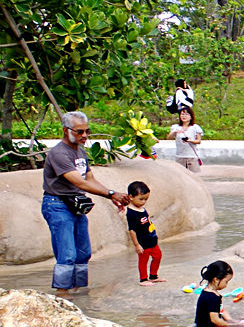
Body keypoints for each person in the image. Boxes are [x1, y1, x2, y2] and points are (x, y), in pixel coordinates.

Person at [40, 111, 130, 294]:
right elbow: (79, 182)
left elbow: (89, 178)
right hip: (57, 205)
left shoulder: (80, 151)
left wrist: (111, 195)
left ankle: (79, 291)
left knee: (83, 252)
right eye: (79, 132)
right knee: (67, 254)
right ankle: (63, 294)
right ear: (66, 131)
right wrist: (111, 193)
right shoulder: (58, 153)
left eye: (87, 131)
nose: (85, 136)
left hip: (75, 204)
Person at [124, 180, 163, 285]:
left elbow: (147, 221)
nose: (144, 202)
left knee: (158, 256)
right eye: (141, 199)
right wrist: (137, 245)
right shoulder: (131, 213)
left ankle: (153, 276)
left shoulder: (142, 209)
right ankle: (143, 279)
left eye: (146, 199)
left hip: (152, 240)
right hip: (143, 243)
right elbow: (132, 230)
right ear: (131, 197)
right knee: (143, 261)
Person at [194, 260, 244, 327]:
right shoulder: (211, 297)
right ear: (216, 280)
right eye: (226, 282)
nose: (226, 285)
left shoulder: (213, 293)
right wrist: (234, 325)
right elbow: (215, 320)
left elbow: (222, 310)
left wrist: (233, 321)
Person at [170, 106, 203, 173]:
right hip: (180, 156)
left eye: (186, 114)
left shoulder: (195, 127)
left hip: (192, 156)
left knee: (194, 176)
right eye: (182, 114)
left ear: (191, 116)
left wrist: (190, 140)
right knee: (180, 176)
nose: (184, 116)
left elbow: (198, 141)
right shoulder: (176, 127)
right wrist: (175, 132)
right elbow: (169, 137)